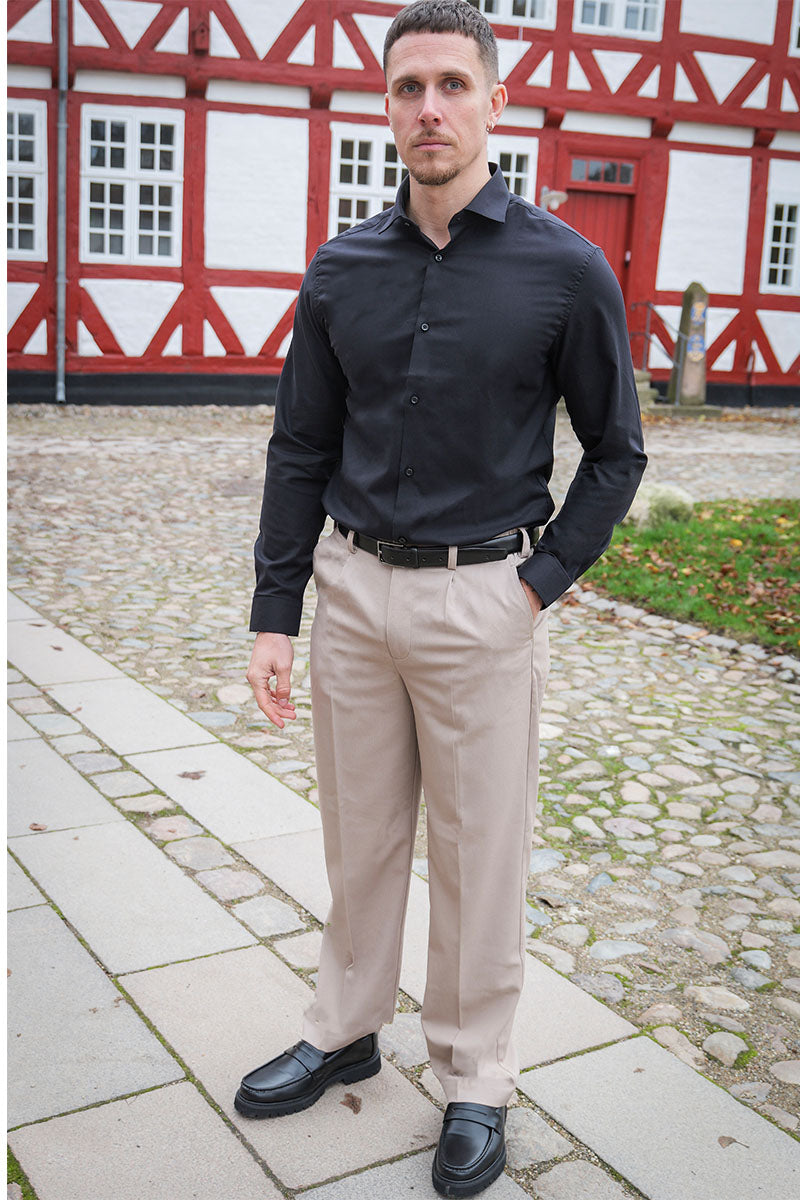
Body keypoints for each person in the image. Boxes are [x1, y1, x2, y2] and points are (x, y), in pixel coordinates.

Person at [235, 1, 647, 1194]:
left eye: (451, 85)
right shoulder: (340, 270)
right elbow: (299, 446)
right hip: (354, 593)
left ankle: (474, 1077)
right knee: (358, 837)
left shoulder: (563, 269)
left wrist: (536, 586)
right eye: (408, 86)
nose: (429, 108)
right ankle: (343, 1026)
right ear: (384, 105)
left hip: (483, 600)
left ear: (493, 102)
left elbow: (614, 451)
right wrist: (275, 612)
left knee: (477, 852)